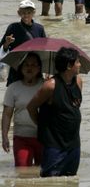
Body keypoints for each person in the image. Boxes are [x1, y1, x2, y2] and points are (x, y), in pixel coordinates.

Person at [27, 47, 83, 177]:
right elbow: (31, 107)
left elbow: (74, 107)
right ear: (69, 65)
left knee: (71, 180)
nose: (80, 65)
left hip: (74, 142)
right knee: (50, 180)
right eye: (78, 62)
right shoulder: (50, 85)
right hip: (54, 144)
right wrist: (41, 125)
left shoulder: (79, 81)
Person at [2, 53, 44, 167]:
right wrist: (4, 136)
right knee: (22, 171)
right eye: (26, 64)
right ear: (20, 67)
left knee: (43, 173)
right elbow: (7, 114)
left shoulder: (46, 86)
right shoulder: (13, 88)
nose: (29, 67)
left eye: (33, 65)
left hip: (44, 137)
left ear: (39, 68)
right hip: (21, 137)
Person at [0, 0, 46, 86]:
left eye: (29, 12)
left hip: (34, 68)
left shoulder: (39, 29)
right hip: (16, 68)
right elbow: (3, 49)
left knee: (35, 94)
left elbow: (44, 50)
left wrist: (45, 71)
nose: (26, 15)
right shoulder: (13, 27)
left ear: (34, 13)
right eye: (23, 13)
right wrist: (7, 42)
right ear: (18, 13)